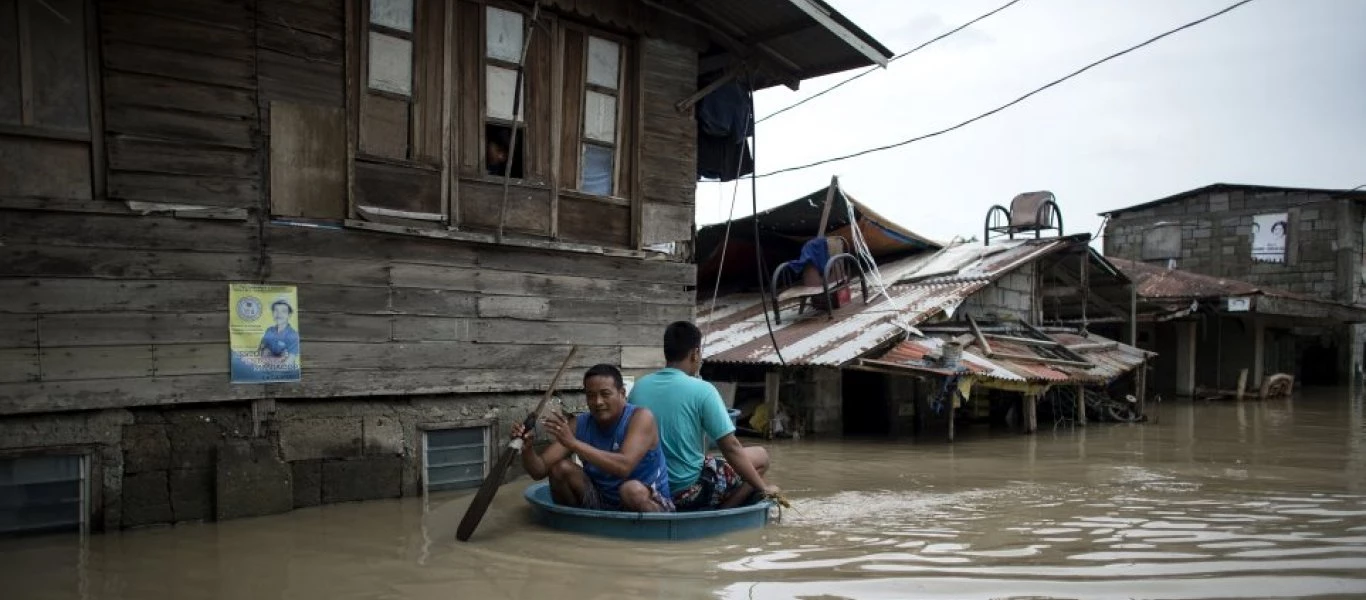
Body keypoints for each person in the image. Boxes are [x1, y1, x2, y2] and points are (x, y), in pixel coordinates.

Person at [629, 321, 778, 511]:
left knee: (710, 460)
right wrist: (764, 488)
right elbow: (731, 447)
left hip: (651, 485)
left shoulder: (639, 387)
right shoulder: (703, 390)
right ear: (695, 353)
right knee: (762, 457)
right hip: (687, 490)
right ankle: (724, 512)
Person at [512, 364, 673, 512]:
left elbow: (624, 467)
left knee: (631, 490)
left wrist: (574, 444)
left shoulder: (641, 417)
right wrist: (527, 449)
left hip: (647, 501)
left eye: (605, 394)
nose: (598, 402)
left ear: (622, 393)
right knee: (559, 469)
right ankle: (574, 527)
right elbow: (539, 470)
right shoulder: (580, 424)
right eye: (591, 395)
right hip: (602, 501)